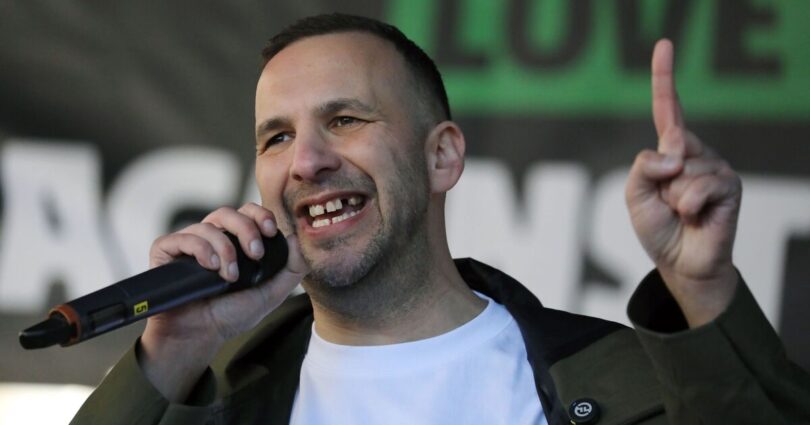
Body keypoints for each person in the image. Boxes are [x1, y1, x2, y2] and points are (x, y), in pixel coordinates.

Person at [72, 13, 810, 425]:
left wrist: (702, 293)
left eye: (345, 119)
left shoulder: (620, 379)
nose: (306, 161)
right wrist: (171, 352)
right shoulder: (206, 395)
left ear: (443, 156)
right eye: (277, 137)